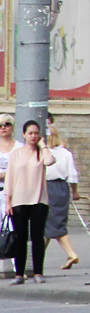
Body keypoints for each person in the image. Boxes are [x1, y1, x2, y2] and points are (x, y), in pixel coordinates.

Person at [4, 120, 55, 285]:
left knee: (37, 237)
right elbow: (10, 178)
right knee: (20, 237)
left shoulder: (41, 153)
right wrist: (8, 200)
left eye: (36, 133)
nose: (33, 136)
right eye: (30, 133)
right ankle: (19, 274)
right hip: (19, 200)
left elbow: (50, 161)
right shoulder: (16, 154)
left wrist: (43, 145)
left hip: (39, 200)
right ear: (24, 134)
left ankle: (38, 272)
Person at [43, 114, 81, 269]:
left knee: (51, 224)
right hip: (62, 189)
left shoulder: (44, 153)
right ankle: (35, 259)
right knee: (52, 224)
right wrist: (75, 192)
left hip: (47, 188)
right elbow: (72, 175)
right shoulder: (65, 153)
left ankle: (71, 254)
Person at [0, 114, 21, 276]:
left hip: (14, 193)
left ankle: (18, 266)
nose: (3, 128)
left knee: (14, 229)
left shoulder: (19, 148)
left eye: (6, 124)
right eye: (0, 125)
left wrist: (8, 173)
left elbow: (22, 169)